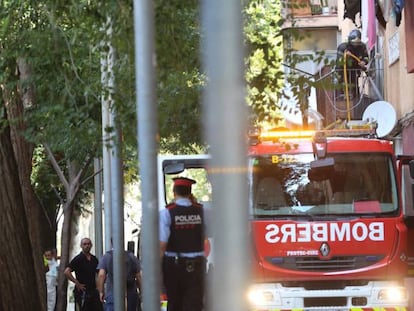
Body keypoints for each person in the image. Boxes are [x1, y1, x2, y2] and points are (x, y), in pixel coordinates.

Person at [159, 177, 207, 311]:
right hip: (197, 265)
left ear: (174, 192)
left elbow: (162, 244)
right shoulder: (203, 211)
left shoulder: (166, 213)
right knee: (195, 303)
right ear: (190, 193)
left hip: (174, 265)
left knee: (174, 303)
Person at [97, 245, 142, 311]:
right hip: (130, 294)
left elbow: (101, 275)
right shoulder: (131, 256)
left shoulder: (107, 256)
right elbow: (138, 276)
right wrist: (141, 291)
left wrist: (101, 292)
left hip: (112, 294)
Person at [64, 237, 102, 311]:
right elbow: (67, 272)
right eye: (85, 244)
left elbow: (98, 274)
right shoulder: (78, 259)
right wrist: (77, 283)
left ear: (91, 245)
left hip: (93, 291)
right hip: (82, 292)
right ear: (81, 246)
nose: (87, 246)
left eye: (88, 244)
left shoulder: (94, 259)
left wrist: (99, 289)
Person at [336, 29, 369, 100]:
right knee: (343, 85)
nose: (356, 45)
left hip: (354, 70)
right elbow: (340, 62)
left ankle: (355, 98)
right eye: (354, 43)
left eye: (357, 43)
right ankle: (343, 97)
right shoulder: (343, 47)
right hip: (342, 71)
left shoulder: (362, 46)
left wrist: (363, 62)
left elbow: (366, 57)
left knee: (354, 86)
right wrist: (346, 57)